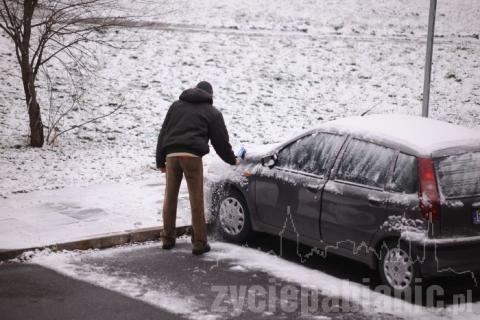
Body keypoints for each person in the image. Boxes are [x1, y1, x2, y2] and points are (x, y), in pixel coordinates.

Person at [156, 81, 239, 255]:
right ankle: (199, 243)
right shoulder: (212, 112)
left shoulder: (176, 106)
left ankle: (168, 239)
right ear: (210, 95)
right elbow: (220, 142)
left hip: (171, 156)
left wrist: (160, 161)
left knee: (170, 197)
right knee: (196, 200)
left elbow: (163, 133)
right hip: (192, 158)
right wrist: (232, 160)